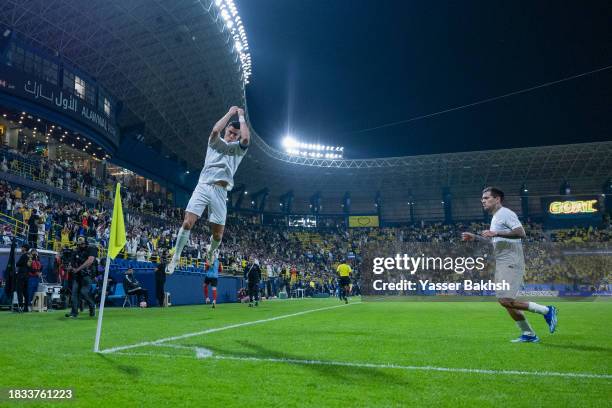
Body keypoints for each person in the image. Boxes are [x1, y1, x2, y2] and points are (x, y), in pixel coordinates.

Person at [462, 187, 558, 343]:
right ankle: (528, 334)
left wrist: (497, 233)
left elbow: (521, 233)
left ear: (497, 199)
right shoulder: (496, 218)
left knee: (505, 300)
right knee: (506, 303)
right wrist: (475, 237)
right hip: (502, 263)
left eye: (486, 198)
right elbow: (494, 241)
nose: (483, 201)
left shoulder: (505, 213)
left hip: (511, 262)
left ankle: (547, 310)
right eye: (482, 199)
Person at [166, 106, 250, 274]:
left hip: (220, 192)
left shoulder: (238, 150)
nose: (232, 135)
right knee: (187, 222)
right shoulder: (215, 142)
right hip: (204, 185)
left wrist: (241, 116)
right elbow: (214, 130)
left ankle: (211, 251)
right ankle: (175, 258)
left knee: (218, 236)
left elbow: (246, 139)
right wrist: (229, 113)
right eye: (230, 132)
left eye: (235, 134)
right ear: (227, 129)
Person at [65, 236, 97, 318]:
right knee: (74, 294)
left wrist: (78, 269)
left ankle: (92, 306)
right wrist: (70, 267)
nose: (81, 245)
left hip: (87, 275)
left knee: (83, 292)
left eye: (82, 244)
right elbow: (71, 262)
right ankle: (74, 312)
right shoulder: (76, 251)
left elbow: (90, 261)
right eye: (79, 244)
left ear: (85, 243)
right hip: (77, 276)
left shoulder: (91, 248)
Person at [15, 243, 31, 312]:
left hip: (21, 275)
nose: (21, 249)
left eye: (22, 247)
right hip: (27, 276)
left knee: (19, 291)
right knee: (25, 292)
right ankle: (26, 307)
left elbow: (18, 264)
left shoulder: (23, 256)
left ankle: (21, 307)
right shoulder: (29, 256)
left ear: (24, 248)